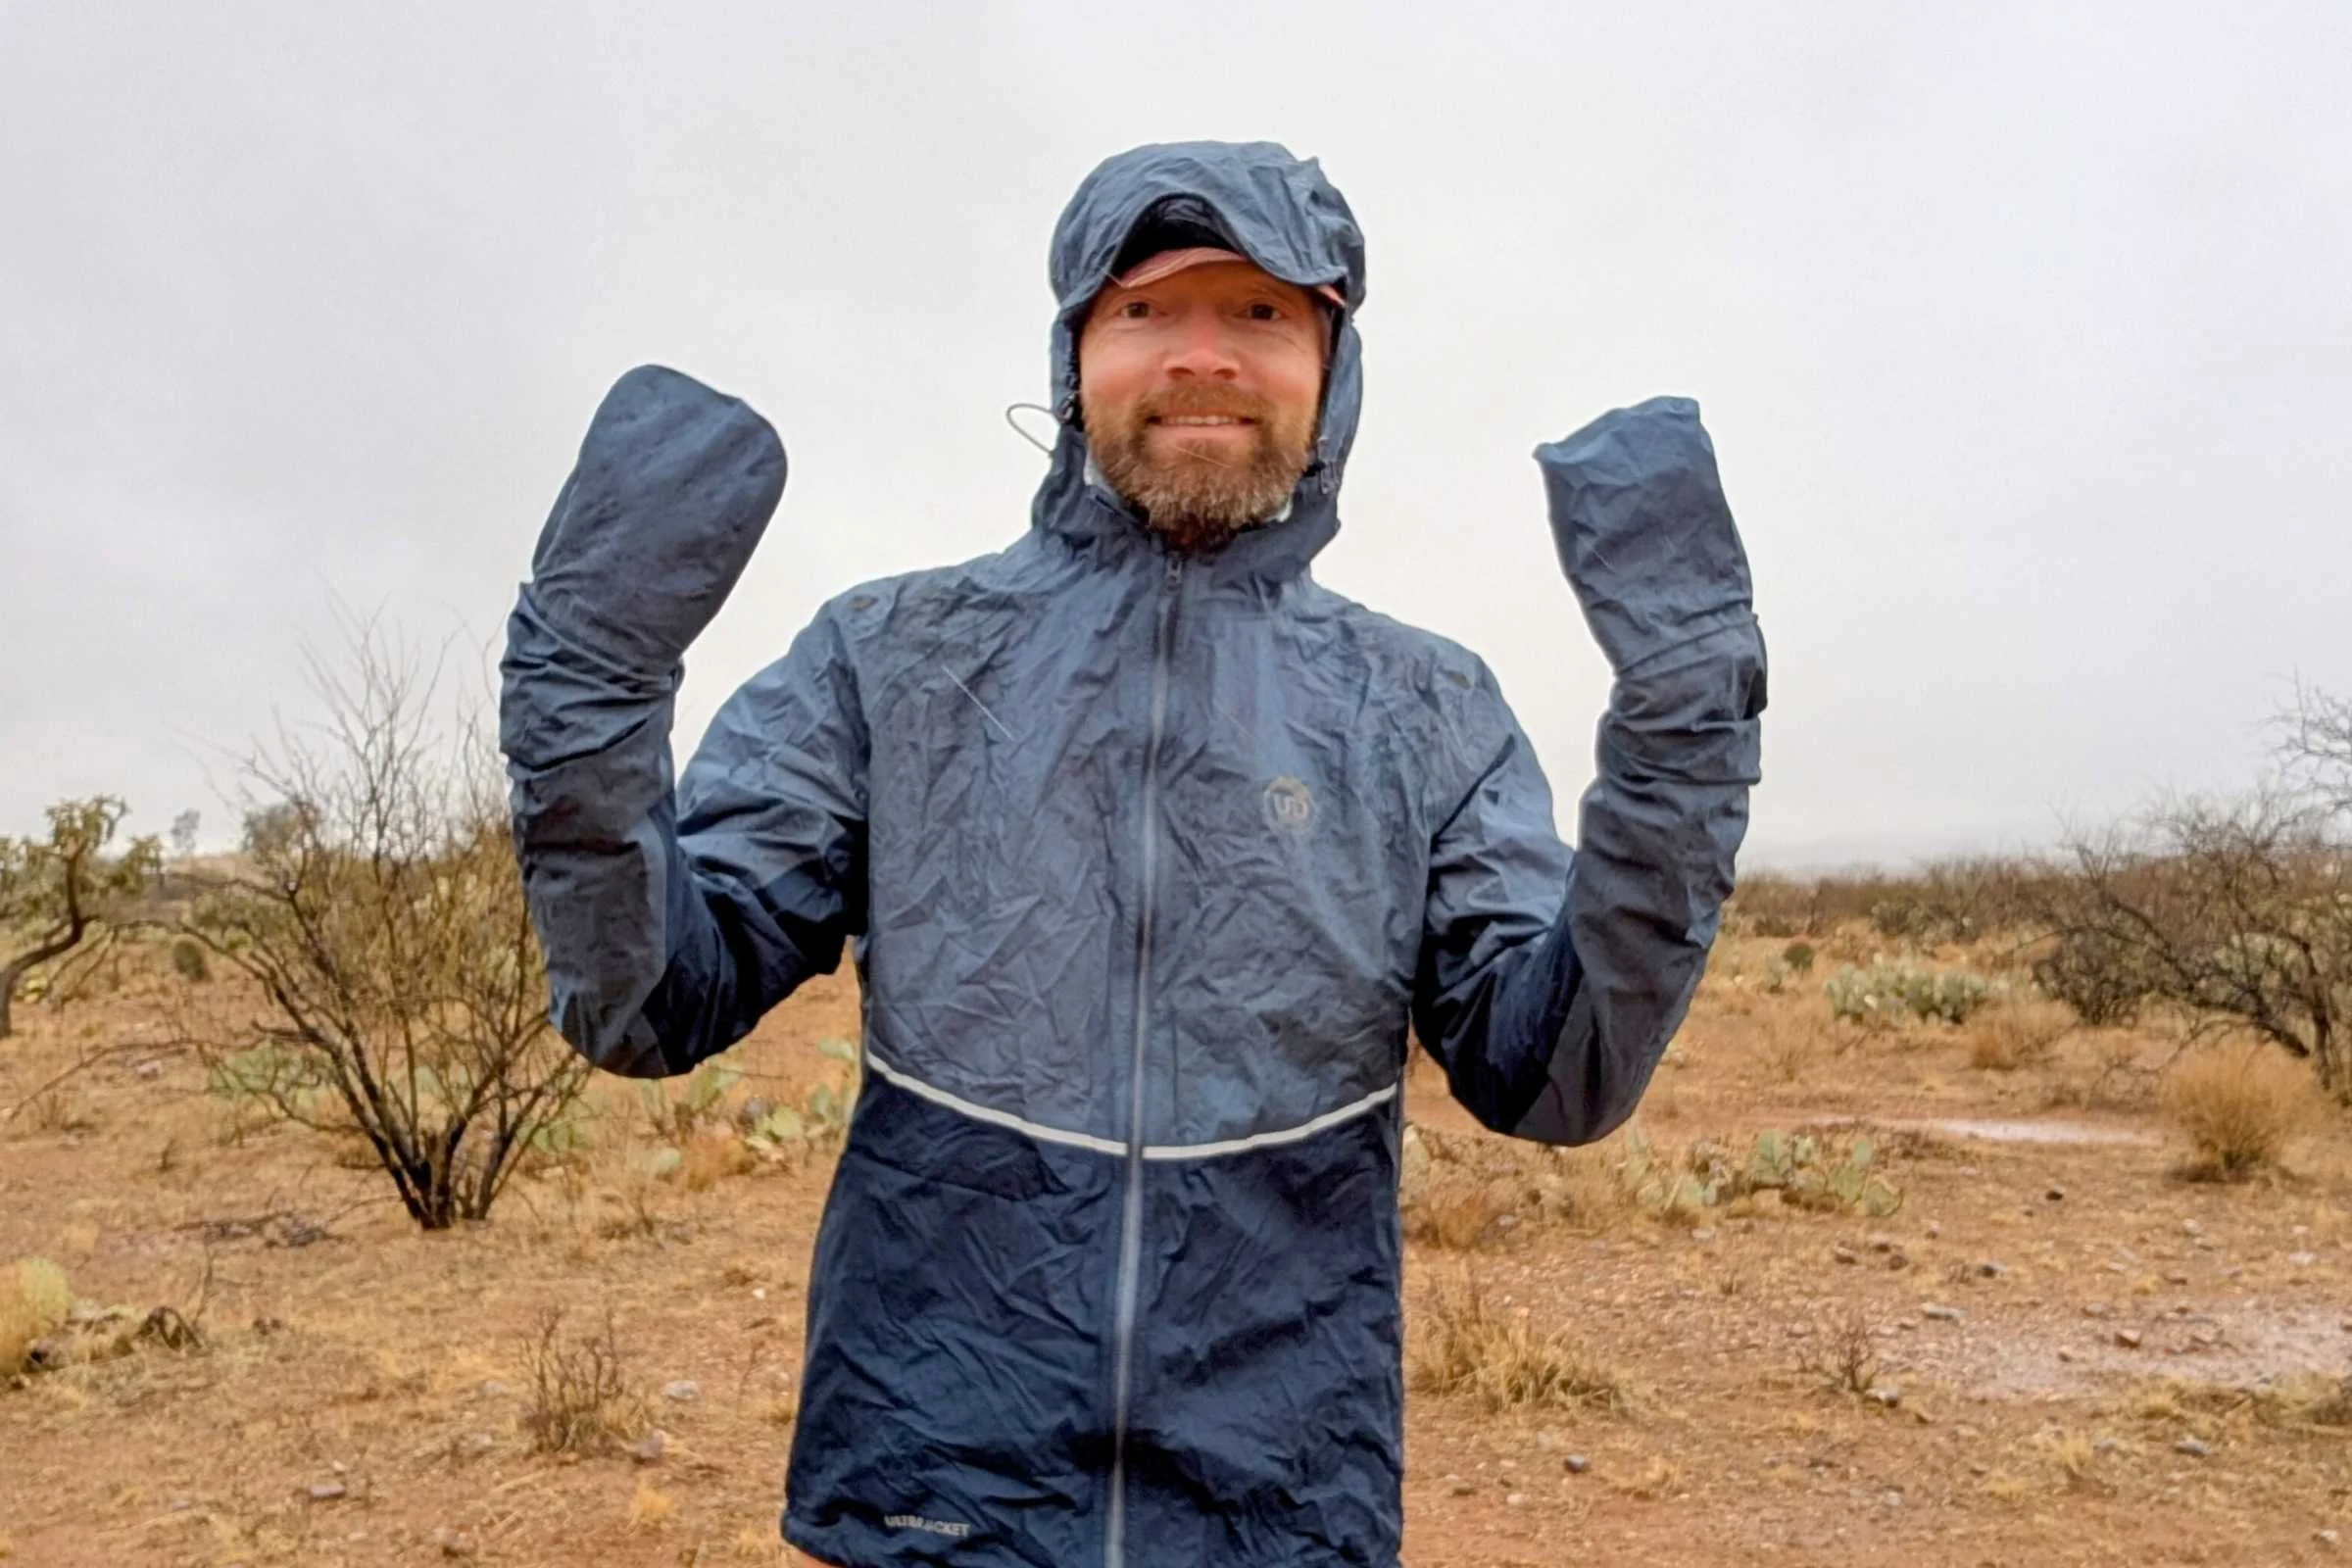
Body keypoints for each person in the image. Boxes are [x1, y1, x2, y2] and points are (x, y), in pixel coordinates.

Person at [501, 139, 1765, 1568]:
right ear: (1075, 358)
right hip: (931, 1499)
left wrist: (1686, 728)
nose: (1201, 355)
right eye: (1146, 309)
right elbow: (652, 1001)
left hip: (1277, 1507)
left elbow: (1556, 1074)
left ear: (1331, 367)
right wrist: (587, 688)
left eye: (1260, 313)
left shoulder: (1426, 710)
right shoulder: (891, 661)